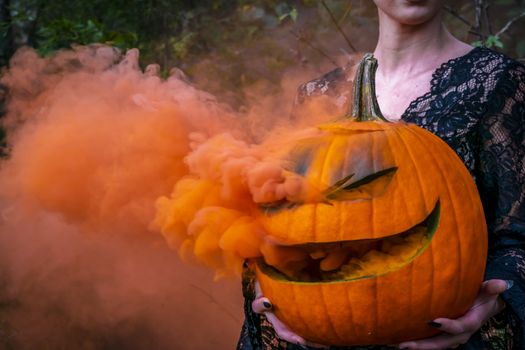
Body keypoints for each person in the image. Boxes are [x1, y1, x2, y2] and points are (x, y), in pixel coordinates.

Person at [236, 1, 525, 349]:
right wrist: (269, 282)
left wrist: (494, 300)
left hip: (448, 335)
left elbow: (518, 235)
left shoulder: (497, 84)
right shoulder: (317, 97)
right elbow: (281, 221)